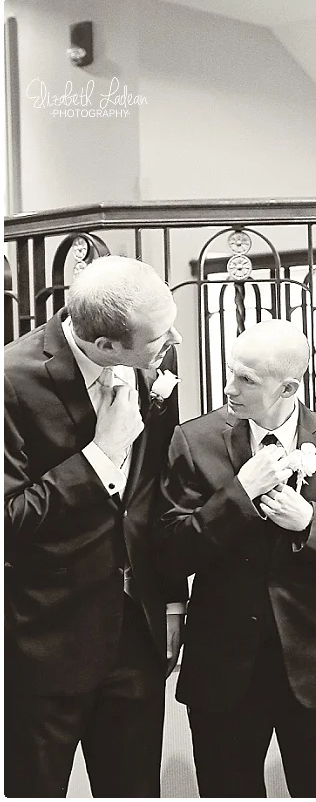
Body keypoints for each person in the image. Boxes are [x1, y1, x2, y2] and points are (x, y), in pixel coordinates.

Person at [156, 319, 316, 797]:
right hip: (222, 667)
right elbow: (170, 551)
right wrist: (240, 494)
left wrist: (311, 523)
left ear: (289, 388)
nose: (229, 388)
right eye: (230, 372)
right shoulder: (194, 440)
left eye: (246, 379)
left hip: (315, 667)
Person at [4, 255, 185, 796]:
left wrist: (171, 602)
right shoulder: (10, 381)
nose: (174, 340)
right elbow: (8, 516)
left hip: (138, 635)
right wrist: (100, 455)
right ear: (106, 345)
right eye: (160, 337)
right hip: (44, 644)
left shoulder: (153, 361)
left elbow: (157, 494)